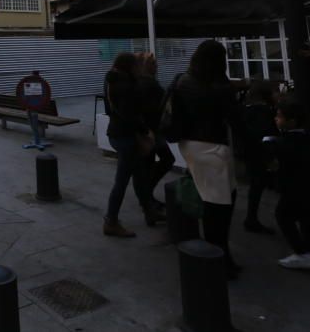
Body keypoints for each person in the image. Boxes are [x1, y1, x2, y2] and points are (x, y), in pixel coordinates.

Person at [173, 39, 242, 278]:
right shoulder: (220, 87)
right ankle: (218, 260)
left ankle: (218, 255)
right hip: (213, 147)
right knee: (220, 205)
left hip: (190, 145)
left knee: (214, 200)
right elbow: (236, 119)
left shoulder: (183, 81)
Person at [103, 52, 164, 238]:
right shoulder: (125, 85)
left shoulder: (112, 80)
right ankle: (111, 221)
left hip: (118, 134)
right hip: (126, 137)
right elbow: (130, 114)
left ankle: (149, 211)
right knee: (122, 182)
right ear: (130, 66)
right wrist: (145, 131)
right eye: (136, 65)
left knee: (140, 176)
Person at [269, 97, 310, 270]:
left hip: (293, 188)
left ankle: (301, 253)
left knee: (283, 215)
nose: (276, 119)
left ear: (291, 121)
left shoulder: (284, 142)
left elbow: (279, 165)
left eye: (279, 117)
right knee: (309, 219)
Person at [136, 53, 175, 205]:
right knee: (164, 159)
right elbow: (156, 108)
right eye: (153, 63)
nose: (156, 66)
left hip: (148, 130)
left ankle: (146, 196)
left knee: (150, 164)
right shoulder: (149, 84)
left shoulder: (141, 82)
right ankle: (146, 197)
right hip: (151, 131)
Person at [241, 80, 278, 234]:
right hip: (262, 156)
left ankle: (251, 218)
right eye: (276, 91)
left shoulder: (246, 110)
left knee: (256, 187)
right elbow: (266, 135)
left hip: (251, 154)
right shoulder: (264, 112)